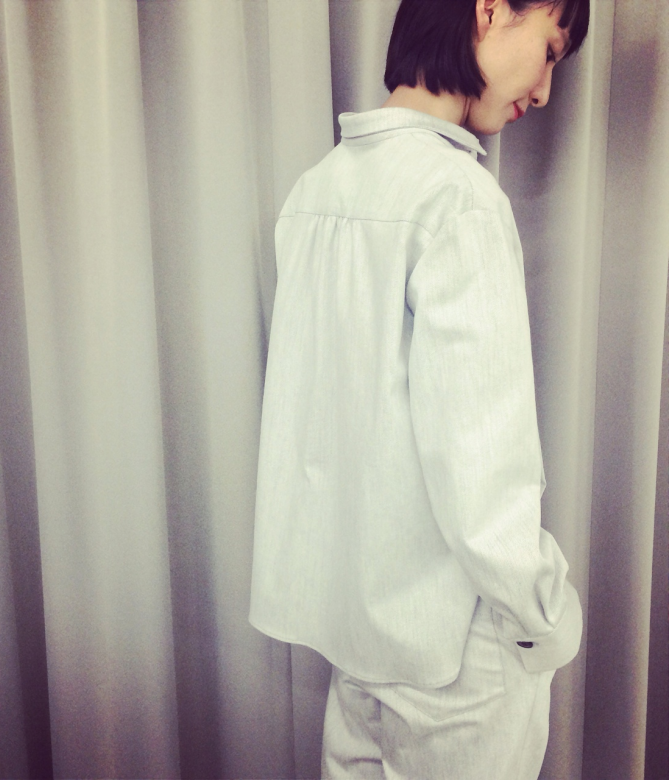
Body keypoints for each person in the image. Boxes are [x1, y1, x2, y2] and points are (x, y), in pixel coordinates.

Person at [249, 0, 589, 776]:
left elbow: (314, 438)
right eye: (550, 51)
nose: (545, 92)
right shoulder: (459, 201)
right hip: (459, 655)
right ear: (490, 11)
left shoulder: (316, 191)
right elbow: (482, 467)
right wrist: (546, 617)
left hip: (358, 647)